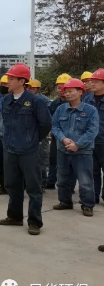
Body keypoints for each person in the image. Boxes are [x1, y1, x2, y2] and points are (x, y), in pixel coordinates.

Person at [0, 63, 51, 236]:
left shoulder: (36, 101)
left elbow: (45, 124)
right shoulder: (6, 100)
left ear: (22, 81)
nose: (7, 81)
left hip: (29, 151)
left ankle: (34, 221)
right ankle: (14, 216)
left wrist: (32, 140)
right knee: (12, 185)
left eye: (11, 78)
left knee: (33, 188)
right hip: (10, 150)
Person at [51, 78, 98, 217]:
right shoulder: (61, 109)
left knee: (85, 180)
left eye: (70, 91)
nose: (67, 94)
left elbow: (92, 131)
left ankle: (87, 205)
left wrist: (77, 144)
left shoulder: (90, 111)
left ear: (80, 92)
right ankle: (65, 201)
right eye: (66, 91)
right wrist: (64, 139)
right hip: (63, 150)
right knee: (62, 179)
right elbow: (55, 126)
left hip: (83, 152)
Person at [45, 73, 72, 189]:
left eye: (63, 87)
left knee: (70, 162)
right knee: (53, 159)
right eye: (58, 87)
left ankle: (69, 186)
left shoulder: (76, 103)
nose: (60, 90)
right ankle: (51, 181)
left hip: (72, 137)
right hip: (57, 136)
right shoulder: (54, 104)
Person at [27, 79, 52, 191]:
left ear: (37, 88)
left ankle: (42, 183)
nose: (30, 89)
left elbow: (47, 120)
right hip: (29, 133)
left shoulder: (44, 100)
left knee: (42, 159)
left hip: (41, 134)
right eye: (28, 87)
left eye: (32, 88)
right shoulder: (26, 99)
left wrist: (41, 135)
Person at [84, 68, 104, 204]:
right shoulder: (87, 99)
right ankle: (93, 196)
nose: (92, 83)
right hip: (90, 141)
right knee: (92, 170)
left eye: (96, 81)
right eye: (92, 81)